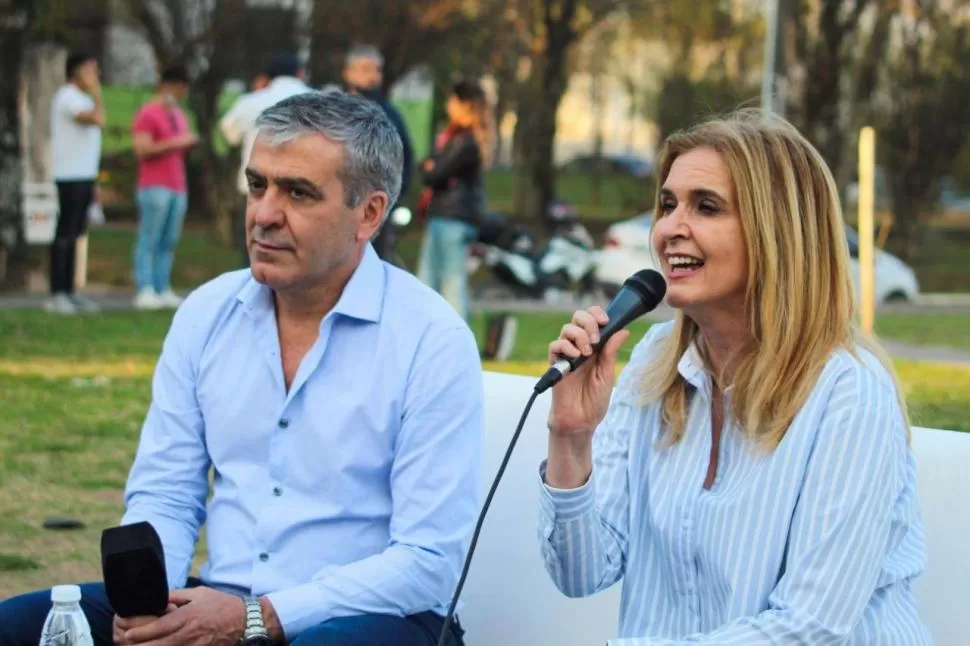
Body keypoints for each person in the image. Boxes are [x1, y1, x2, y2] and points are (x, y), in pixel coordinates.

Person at [0, 91, 482, 646]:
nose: (264, 214)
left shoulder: (430, 339)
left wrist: (260, 617)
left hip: (378, 620)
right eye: (258, 185)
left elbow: (428, 561)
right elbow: (166, 493)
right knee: (17, 626)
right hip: (220, 599)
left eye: (298, 193)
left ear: (368, 213)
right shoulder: (208, 313)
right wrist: (150, 604)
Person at [538, 109, 932, 644]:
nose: (671, 228)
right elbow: (582, 573)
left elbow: (808, 626)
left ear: (778, 232)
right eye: (668, 204)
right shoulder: (655, 362)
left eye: (707, 207)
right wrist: (572, 436)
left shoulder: (849, 393)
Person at [220, 52, 310, 267]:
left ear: (267, 76)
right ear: (300, 73)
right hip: (304, 189)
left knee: (255, 247)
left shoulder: (252, 101)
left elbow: (229, 134)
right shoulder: (318, 101)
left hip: (256, 188)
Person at [415, 79, 494, 321]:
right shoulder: (456, 136)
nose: (448, 105)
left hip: (452, 218)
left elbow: (434, 172)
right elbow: (428, 166)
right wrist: (430, 167)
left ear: (464, 104)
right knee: (428, 284)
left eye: (453, 100)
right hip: (446, 216)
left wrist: (431, 168)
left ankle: (460, 345)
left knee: (450, 285)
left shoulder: (465, 141)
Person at [130, 64, 198, 310]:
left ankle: (162, 286)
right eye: (178, 88)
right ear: (165, 86)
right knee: (149, 236)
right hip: (153, 184)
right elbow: (142, 149)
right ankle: (144, 287)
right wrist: (176, 142)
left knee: (169, 239)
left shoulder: (179, 115)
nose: (180, 93)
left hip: (177, 184)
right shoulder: (148, 113)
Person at [340, 45, 414, 262]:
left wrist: (393, 199)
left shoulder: (390, 115)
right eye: (364, 69)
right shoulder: (333, 111)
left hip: (375, 209)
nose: (372, 77)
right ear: (347, 72)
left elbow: (405, 159)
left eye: (377, 70)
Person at [47, 51, 105, 315]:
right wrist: (96, 92)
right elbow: (97, 119)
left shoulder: (81, 98)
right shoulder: (68, 97)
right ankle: (57, 292)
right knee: (65, 233)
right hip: (69, 175)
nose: (96, 75)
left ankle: (71, 291)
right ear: (76, 71)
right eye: (90, 69)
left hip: (84, 174)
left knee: (76, 234)